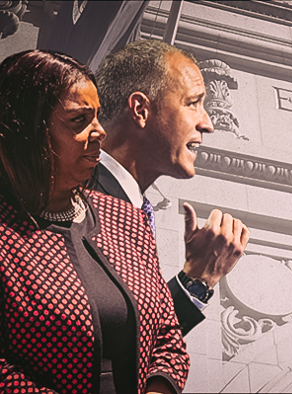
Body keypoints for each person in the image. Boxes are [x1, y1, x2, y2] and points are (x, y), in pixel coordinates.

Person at [0, 50, 188, 393]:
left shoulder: (126, 218)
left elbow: (166, 333)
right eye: (79, 120)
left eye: (98, 116)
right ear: (24, 130)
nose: (99, 131)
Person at [93, 39, 250, 335]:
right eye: (193, 104)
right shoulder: (63, 198)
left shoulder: (131, 207)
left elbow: (129, 343)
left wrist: (197, 279)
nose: (208, 124)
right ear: (140, 110)